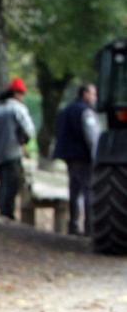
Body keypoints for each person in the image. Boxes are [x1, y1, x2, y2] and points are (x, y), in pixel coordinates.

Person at [0, 77, 36, 221]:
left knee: (2, 182)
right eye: (22, 94)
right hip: (12, 151)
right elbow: (29, 129)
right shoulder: (17, 108)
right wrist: (24, 141)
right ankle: (8, 214)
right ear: (17, 94)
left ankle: (2, 210)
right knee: (12, 183)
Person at [52, 83, 101, 235]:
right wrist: (97, 155)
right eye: (93, 94)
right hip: (83, 156)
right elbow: (92, 136)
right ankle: (89, 227)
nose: (95, 97)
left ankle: (73, 225)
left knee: (74, 190)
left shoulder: (65, 110)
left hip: (69, 156)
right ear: (85, 94)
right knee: (88, 190)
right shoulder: (86, 112)